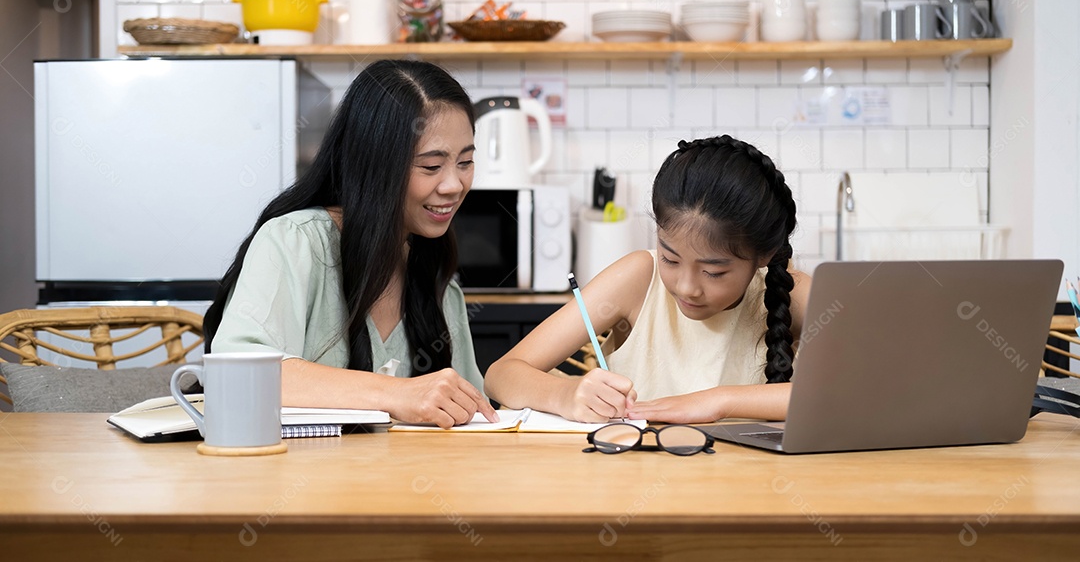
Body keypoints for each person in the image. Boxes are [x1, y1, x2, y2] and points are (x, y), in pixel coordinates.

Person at [203, 59, 496, 429]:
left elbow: (474, 412)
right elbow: (239, 374)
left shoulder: (438, 280)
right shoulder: (296, 242)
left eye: (466, 161)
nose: (454, 185)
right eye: (430, 166)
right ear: (374, 164)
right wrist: (394, 393)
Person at [485, 135, 811, 424]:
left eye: (713, 272)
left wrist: (717, 402)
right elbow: (502, 374)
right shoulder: (638, 278)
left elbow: (857, 391)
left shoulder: (791, 292)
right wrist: (566, 394)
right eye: (670, 258)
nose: (686, 286)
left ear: (763, 256)